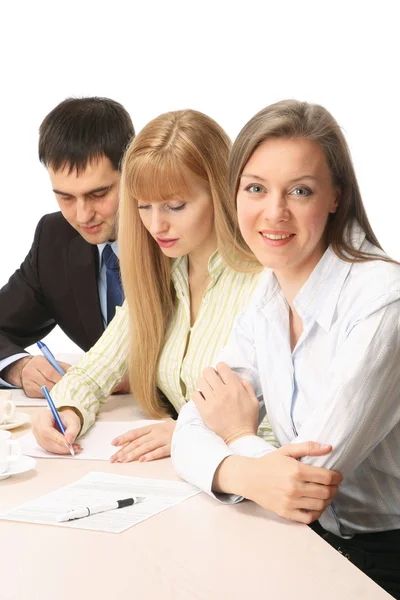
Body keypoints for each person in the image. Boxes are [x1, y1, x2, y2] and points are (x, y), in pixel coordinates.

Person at [171, 100, 400, 598]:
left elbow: (307, 485)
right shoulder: (269, 295)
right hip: (304, 541)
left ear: (336, 196)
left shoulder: (383, 300)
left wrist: (234, 433)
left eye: (300, 191)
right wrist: (248, 469)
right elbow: (188, 430)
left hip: (384, 556)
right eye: (255, 188)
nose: (274, 212)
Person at [31, 108, 281, 461]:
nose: (156, 225)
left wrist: (191, 435)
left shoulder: (267, 282)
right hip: (189, 480)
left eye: (175, 206)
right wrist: (66, 410)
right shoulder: (163, 275)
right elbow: (93, 372)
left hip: (253, 488)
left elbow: (289, 430)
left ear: (222, 192)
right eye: (144, 207)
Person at [0, 97, 135, 397]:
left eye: (99, 194)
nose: (82, 215)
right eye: (66, 198)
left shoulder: (175, 234)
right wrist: (19, 368)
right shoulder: (54, 238)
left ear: (133, 170)